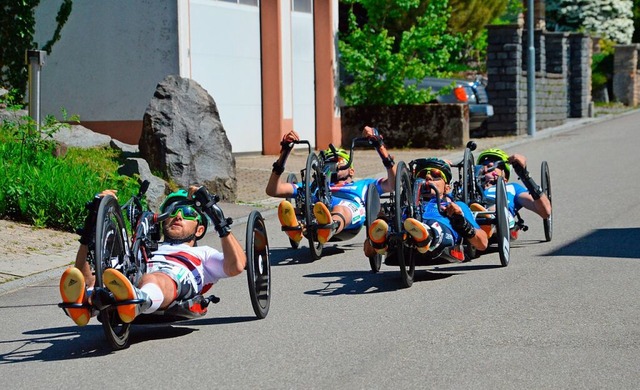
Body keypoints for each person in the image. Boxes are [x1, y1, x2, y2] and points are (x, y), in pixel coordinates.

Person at [59, 186, 246, 326]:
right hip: (132, 279)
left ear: (200, 230)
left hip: (176, 280)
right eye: (172, 212)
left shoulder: (203, 253)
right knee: (104, 271)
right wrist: (95, 220)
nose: (178, 216)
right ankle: (84, 304)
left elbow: (236, 265)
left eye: (187, 213)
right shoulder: (145, 248)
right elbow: (91, 274)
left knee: (154, 278)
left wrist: (217, 218)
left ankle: (139, 299)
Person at [265, 126, 396, 245]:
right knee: (290, 209)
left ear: (351, 170)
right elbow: (273, 190)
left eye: (338, 160)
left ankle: (328, 226)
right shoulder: (314, 186)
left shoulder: (365, 185)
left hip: (348, 211)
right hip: (315, 214)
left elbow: (393, 183)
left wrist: (380, 146)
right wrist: (285, 153)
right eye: (329, 162)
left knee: (340, 208)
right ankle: (296, 228)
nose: (334, 164)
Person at [364, 158, 488, 261]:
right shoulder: (405, 205)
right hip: (404, 232)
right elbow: (367, 252)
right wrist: (381, 218)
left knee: (433, 225)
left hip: (441, 234)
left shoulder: (457, 205)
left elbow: (482, 244)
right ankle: (381, 242)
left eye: (436, 176)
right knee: (388, 226)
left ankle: (428, 235)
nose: (428, 177)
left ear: (447, 188)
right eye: (423, 175)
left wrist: (461, 221)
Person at [474, 148, 552, 237]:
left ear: (505, 176)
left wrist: (525, 176)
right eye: (484, 164)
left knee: (493, 209)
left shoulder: (512, 188)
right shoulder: (465, 188)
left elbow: (545, 212)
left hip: (496, 214)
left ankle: (488, 224)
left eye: (496, 164)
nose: (490, 165)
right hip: (468, 214)